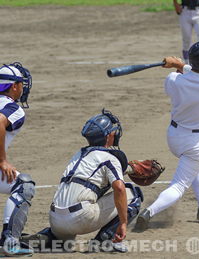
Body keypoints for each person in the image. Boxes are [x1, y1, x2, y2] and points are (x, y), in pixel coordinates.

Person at [24, 109, 144, 253]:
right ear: (108, 136)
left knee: (64, 243)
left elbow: (97, 176)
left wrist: (130, 168)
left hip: (56, 220)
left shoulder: (79, 154)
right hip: (80, 219)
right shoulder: (110, 158)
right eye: (113, 131)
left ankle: (49, 237)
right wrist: (123, 223)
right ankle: (104, 241)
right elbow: (119, 188)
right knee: (133, 193)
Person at [136, 40, 199, 230]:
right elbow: (198, 75)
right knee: (179, 185)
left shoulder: (173, 80)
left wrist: (177, 65)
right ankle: (149, 212)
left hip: (174, 136)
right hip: (196, 142)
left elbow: (184, 76)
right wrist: (180, 65)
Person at [0, 63, 35, 256]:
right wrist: (2, 161)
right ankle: (9, 241)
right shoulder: (12, 108)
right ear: (14, 86)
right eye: (21, 83)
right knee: (24, 186)